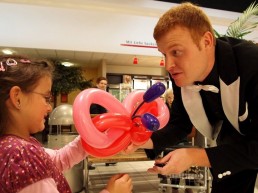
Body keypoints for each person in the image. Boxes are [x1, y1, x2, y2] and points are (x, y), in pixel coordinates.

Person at [125, 2, 258, 193]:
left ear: (206, 41)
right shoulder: (181, 74)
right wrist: (146, 140)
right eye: (164, 54)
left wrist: (195, 156)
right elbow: (181, 123)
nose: (169, 65)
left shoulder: (252, 64)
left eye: (176, 52)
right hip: (231, 144)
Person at [0, 55, 133, 193]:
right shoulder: (21, 155)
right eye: (46, 98)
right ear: (17, 97)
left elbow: (58, 159)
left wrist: (92, 136)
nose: (49, 107)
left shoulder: (17, 147)